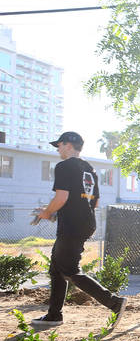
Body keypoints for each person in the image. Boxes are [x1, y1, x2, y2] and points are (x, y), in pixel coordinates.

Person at [30, 131, 127, 329]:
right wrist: (56, 214)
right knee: (57, 270)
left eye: (59, 145)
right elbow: (94, 202)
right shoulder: (90, 170)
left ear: (68, 145)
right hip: (85, 222)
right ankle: (53, 315)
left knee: (70, 270)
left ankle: (114, 302)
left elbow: (61, 198)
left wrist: (48, 212)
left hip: (72, 225)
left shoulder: (64, 166)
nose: (58, 149)